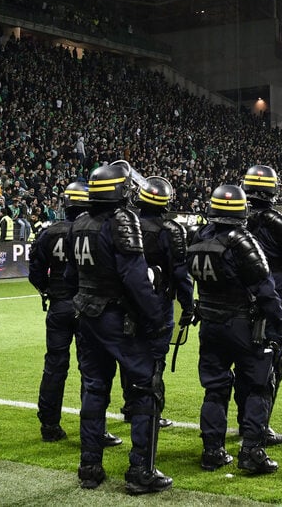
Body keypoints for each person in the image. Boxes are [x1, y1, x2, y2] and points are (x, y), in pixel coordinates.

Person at [65, 163, 171, 494]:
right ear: (120, 191)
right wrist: (155, 318)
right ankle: (141, 471)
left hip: (87, 317)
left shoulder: (79, 223)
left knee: (94, 390)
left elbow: (71, 278)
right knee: (144, 390)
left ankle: (90, 467)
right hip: (118, 320)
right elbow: (135, 278)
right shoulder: (123, 221)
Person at [188, 184, 282, 475]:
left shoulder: (198, 238)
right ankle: (252, 453)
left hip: (210, 324)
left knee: (214, 388)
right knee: (259, 385)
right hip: (243, 325)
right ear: (241, 210)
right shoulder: (242, 240)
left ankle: (212, 451)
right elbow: (265, 290)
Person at [28, 181, 122, 447]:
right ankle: (94, 430)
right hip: (87, 307)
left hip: (59, 306)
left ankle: (49, 425)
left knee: (54, 366)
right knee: (93, 371)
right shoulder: (93, 230)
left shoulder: (49, 233)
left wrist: (49, 291)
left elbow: (35, 271)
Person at [236, 164, 282, 446]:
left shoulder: (230, 218)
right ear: (273, 190)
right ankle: (257, 428)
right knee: (267, 367)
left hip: (233, 304)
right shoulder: (275, 221)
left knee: (239, 367)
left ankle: (243, 423)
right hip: (269, 303)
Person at [131, 175, 195, 429]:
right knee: (155, 359)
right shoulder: (171, 231)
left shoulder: (126, 225)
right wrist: (188, 305)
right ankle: (150, 413)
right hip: (158, 303)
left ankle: (131, 406)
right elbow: (180, 273)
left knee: (132, 355)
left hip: (128, 301)